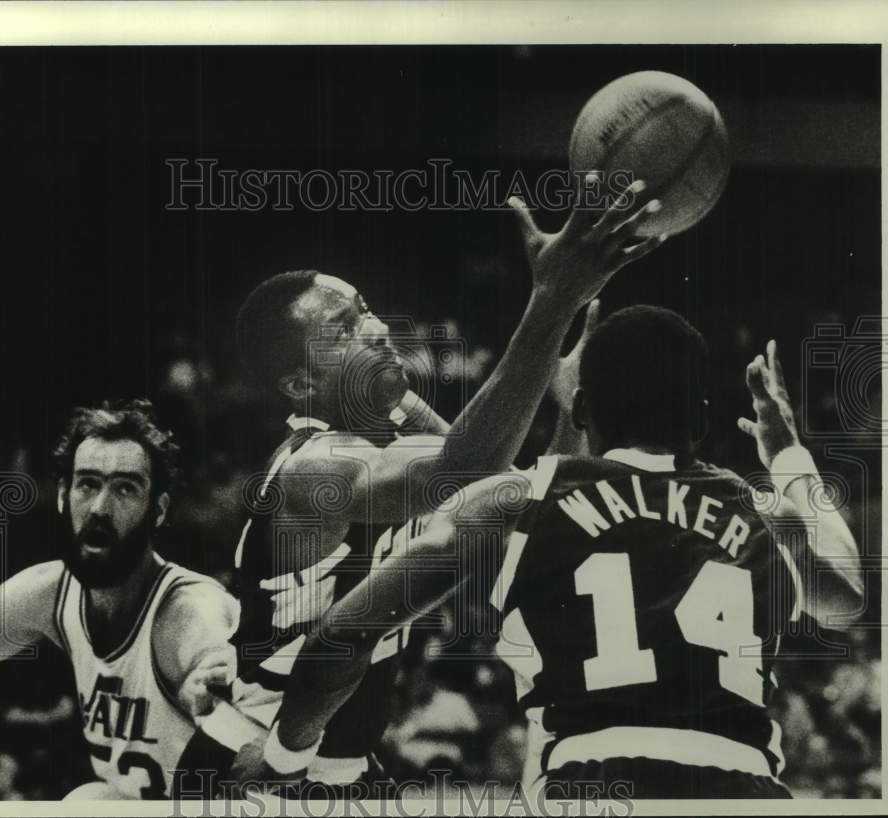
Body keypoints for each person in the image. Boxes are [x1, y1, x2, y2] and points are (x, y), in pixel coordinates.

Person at [236, 295, 862, 797]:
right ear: (700, 421)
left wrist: (286, 756)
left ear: (584, 407)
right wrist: (789, 455)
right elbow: (846, 598)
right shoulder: (760, 510)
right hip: (744, 781)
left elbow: (345, 633)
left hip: (591, 780)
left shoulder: (522, 499)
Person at [180, 181, 668, 797]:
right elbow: (462, 470)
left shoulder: (394, 431)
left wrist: (570, 411)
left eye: (365, 308)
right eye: (344, 329)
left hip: (336, 768)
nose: (378, 329)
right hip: (255, 762)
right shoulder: (316, 468)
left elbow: (521, 500)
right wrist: (553, 299)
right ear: (301, 386)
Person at [0, 400, 264, 800]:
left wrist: (216, 682)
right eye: (87, 483)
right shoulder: (50, 591)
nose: (100, 508)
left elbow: (223, 664)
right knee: (90, 798)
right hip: (135, 802)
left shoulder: (188, 611)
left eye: (126, 488)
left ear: (157, 510)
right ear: (62, 496)